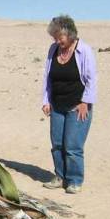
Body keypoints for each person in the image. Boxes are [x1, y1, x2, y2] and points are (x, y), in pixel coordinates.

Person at [41, 15, 97, 194]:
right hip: (57, 105)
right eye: (54, 37)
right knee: (57, 144)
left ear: (70, 34)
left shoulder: (84, 50)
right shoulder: (53, 50)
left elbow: (91, 79)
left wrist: (85, 102)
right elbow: (47, 78)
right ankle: (60, 176)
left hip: (77, 106)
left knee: (72, 146)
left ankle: (74, 180)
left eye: (60, 37)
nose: (57, 41)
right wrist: (46, 101)